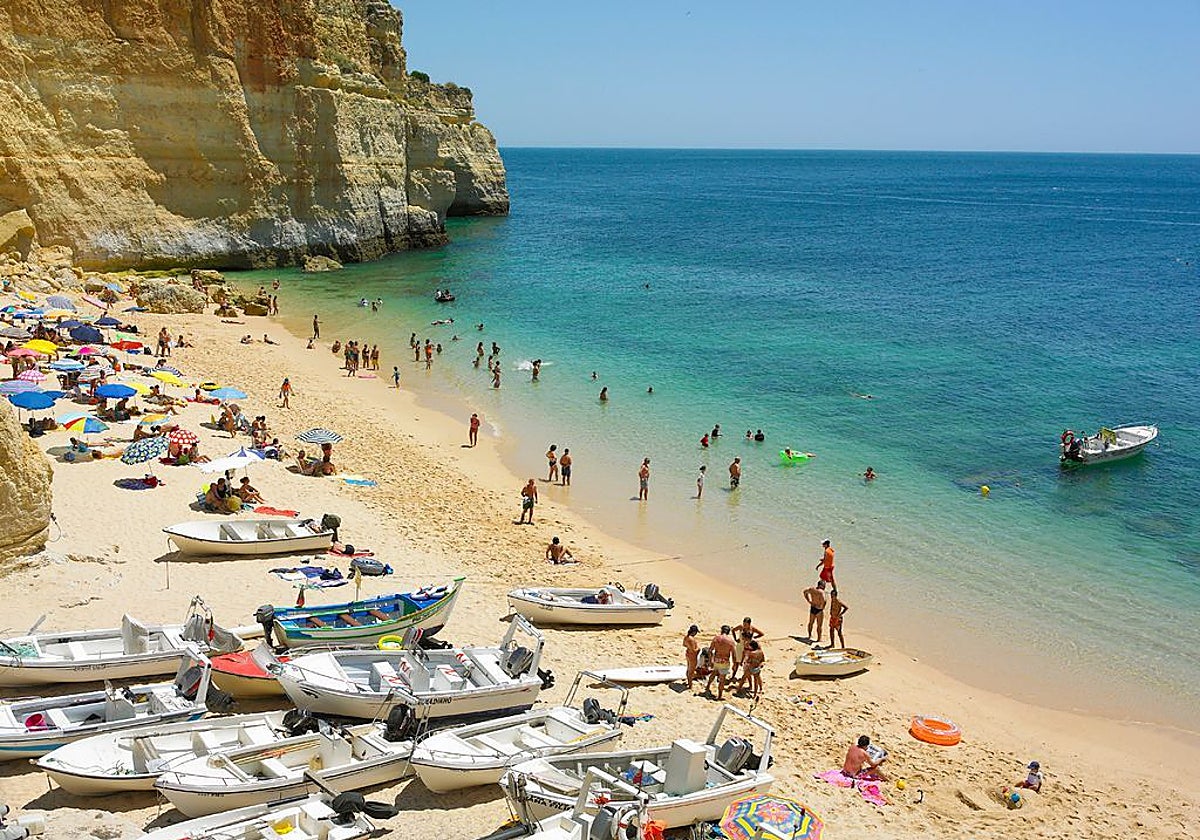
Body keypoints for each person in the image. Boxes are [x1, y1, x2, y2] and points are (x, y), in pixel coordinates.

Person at [705, 625, 736, 701]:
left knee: (714, 673)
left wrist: (710, 660)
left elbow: (710, 650)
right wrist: (735, 664)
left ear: (722, 630)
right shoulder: (731, 641)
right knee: (722, 680)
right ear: (728, 632)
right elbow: (734, 655)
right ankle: (719, 696)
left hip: (716, 659)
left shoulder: (716, 638)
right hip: (724, 661)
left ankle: (708, 686)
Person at [683, 625, 702, 690]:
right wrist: (699, 649)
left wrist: (689, 647)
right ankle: (690, 685)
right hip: (692, 656)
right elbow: (694, 650)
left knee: (688, 669)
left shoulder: (686, 637)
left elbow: (684, 644)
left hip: (688, 654)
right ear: (694, 632)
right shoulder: (691, 639)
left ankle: (689, 682)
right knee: (691, 671)